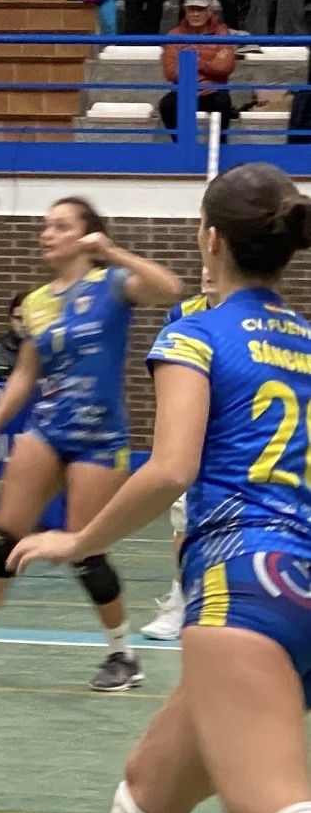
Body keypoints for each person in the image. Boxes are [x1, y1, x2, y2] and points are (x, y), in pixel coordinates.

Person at [9, 162, 311, 813]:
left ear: (211, 239)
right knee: (146, 800)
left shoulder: (195, 336)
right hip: (297, 580)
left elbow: (171, 469)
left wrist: (79, 540)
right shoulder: (304, 338)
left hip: (244, 584)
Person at [0, 197, 182, 690]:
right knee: (5, 534)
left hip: (99, 437)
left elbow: (170, 288)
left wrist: (112, 251)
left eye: (61, 226)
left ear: (87, 236)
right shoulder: (37, 302)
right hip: (48, 428)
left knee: (85, 549)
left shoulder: (113, 284)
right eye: (46, 226)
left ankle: (122, 655)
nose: (48, 234)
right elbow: (26, 375)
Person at [141, 265, 218, 642]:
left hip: (238, 436)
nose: (208, 272)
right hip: (196, 431)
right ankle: (181, 602)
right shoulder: (183, 315)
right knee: (184, 519)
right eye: (203, 267)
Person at [158, 0, 236, 137]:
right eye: (191, 9)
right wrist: (209, 65)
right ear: (185, 11)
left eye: (200, 9)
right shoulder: (174, 35)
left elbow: (225, 67)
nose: (195, 14)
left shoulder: (221, 33)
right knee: (167, 105)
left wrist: (194, 61)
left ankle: (220, 147)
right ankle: (181, 147)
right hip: (183, 90)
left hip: (213, 91)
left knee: (223, 103)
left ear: (209, 12)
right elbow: (170, 72)